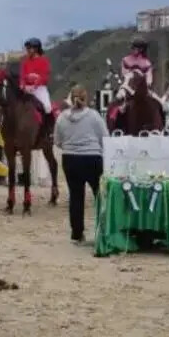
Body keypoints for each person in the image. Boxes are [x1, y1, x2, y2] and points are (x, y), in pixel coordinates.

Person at [54, 85, 109, 243]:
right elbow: (105, 137)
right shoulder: (94, 116)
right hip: (92, 158)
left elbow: (57, 141)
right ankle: (103, 229)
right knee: (100, 194)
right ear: (86, 99)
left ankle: (77, 233)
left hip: (70, 159)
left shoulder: (62, 117)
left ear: (70, 99)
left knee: (76, 196)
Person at [20, 38, 52, 123]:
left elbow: (44, 77)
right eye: (27, 48)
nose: (28, 50)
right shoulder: (25, 62)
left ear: (36, 49)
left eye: (29, 48)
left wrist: (34, 86)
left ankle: (49, 129)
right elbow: (22, 77)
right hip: (27, 89)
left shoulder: (44, 61)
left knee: (48, 107)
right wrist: (23, 86)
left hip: (39, 89)